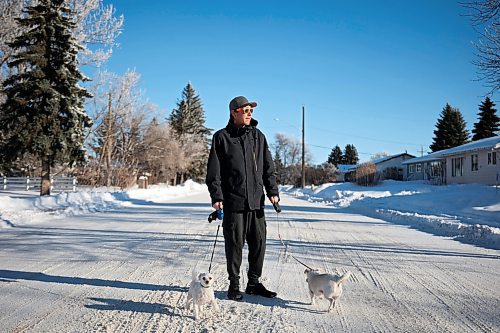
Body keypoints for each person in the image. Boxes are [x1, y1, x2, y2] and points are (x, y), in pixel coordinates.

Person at [206, 95, 280, 301]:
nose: (249, 114)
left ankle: (254, 284)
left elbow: (268, 168)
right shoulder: (221, 137)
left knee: (259, 244)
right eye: (245, 111)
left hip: (256, 202)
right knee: (234, 244)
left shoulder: (258, 136)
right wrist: (217, 196)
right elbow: (214, 171)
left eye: (251, 111)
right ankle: (234, 285)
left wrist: (272, 191)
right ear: (233, 112)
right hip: (233, 202)